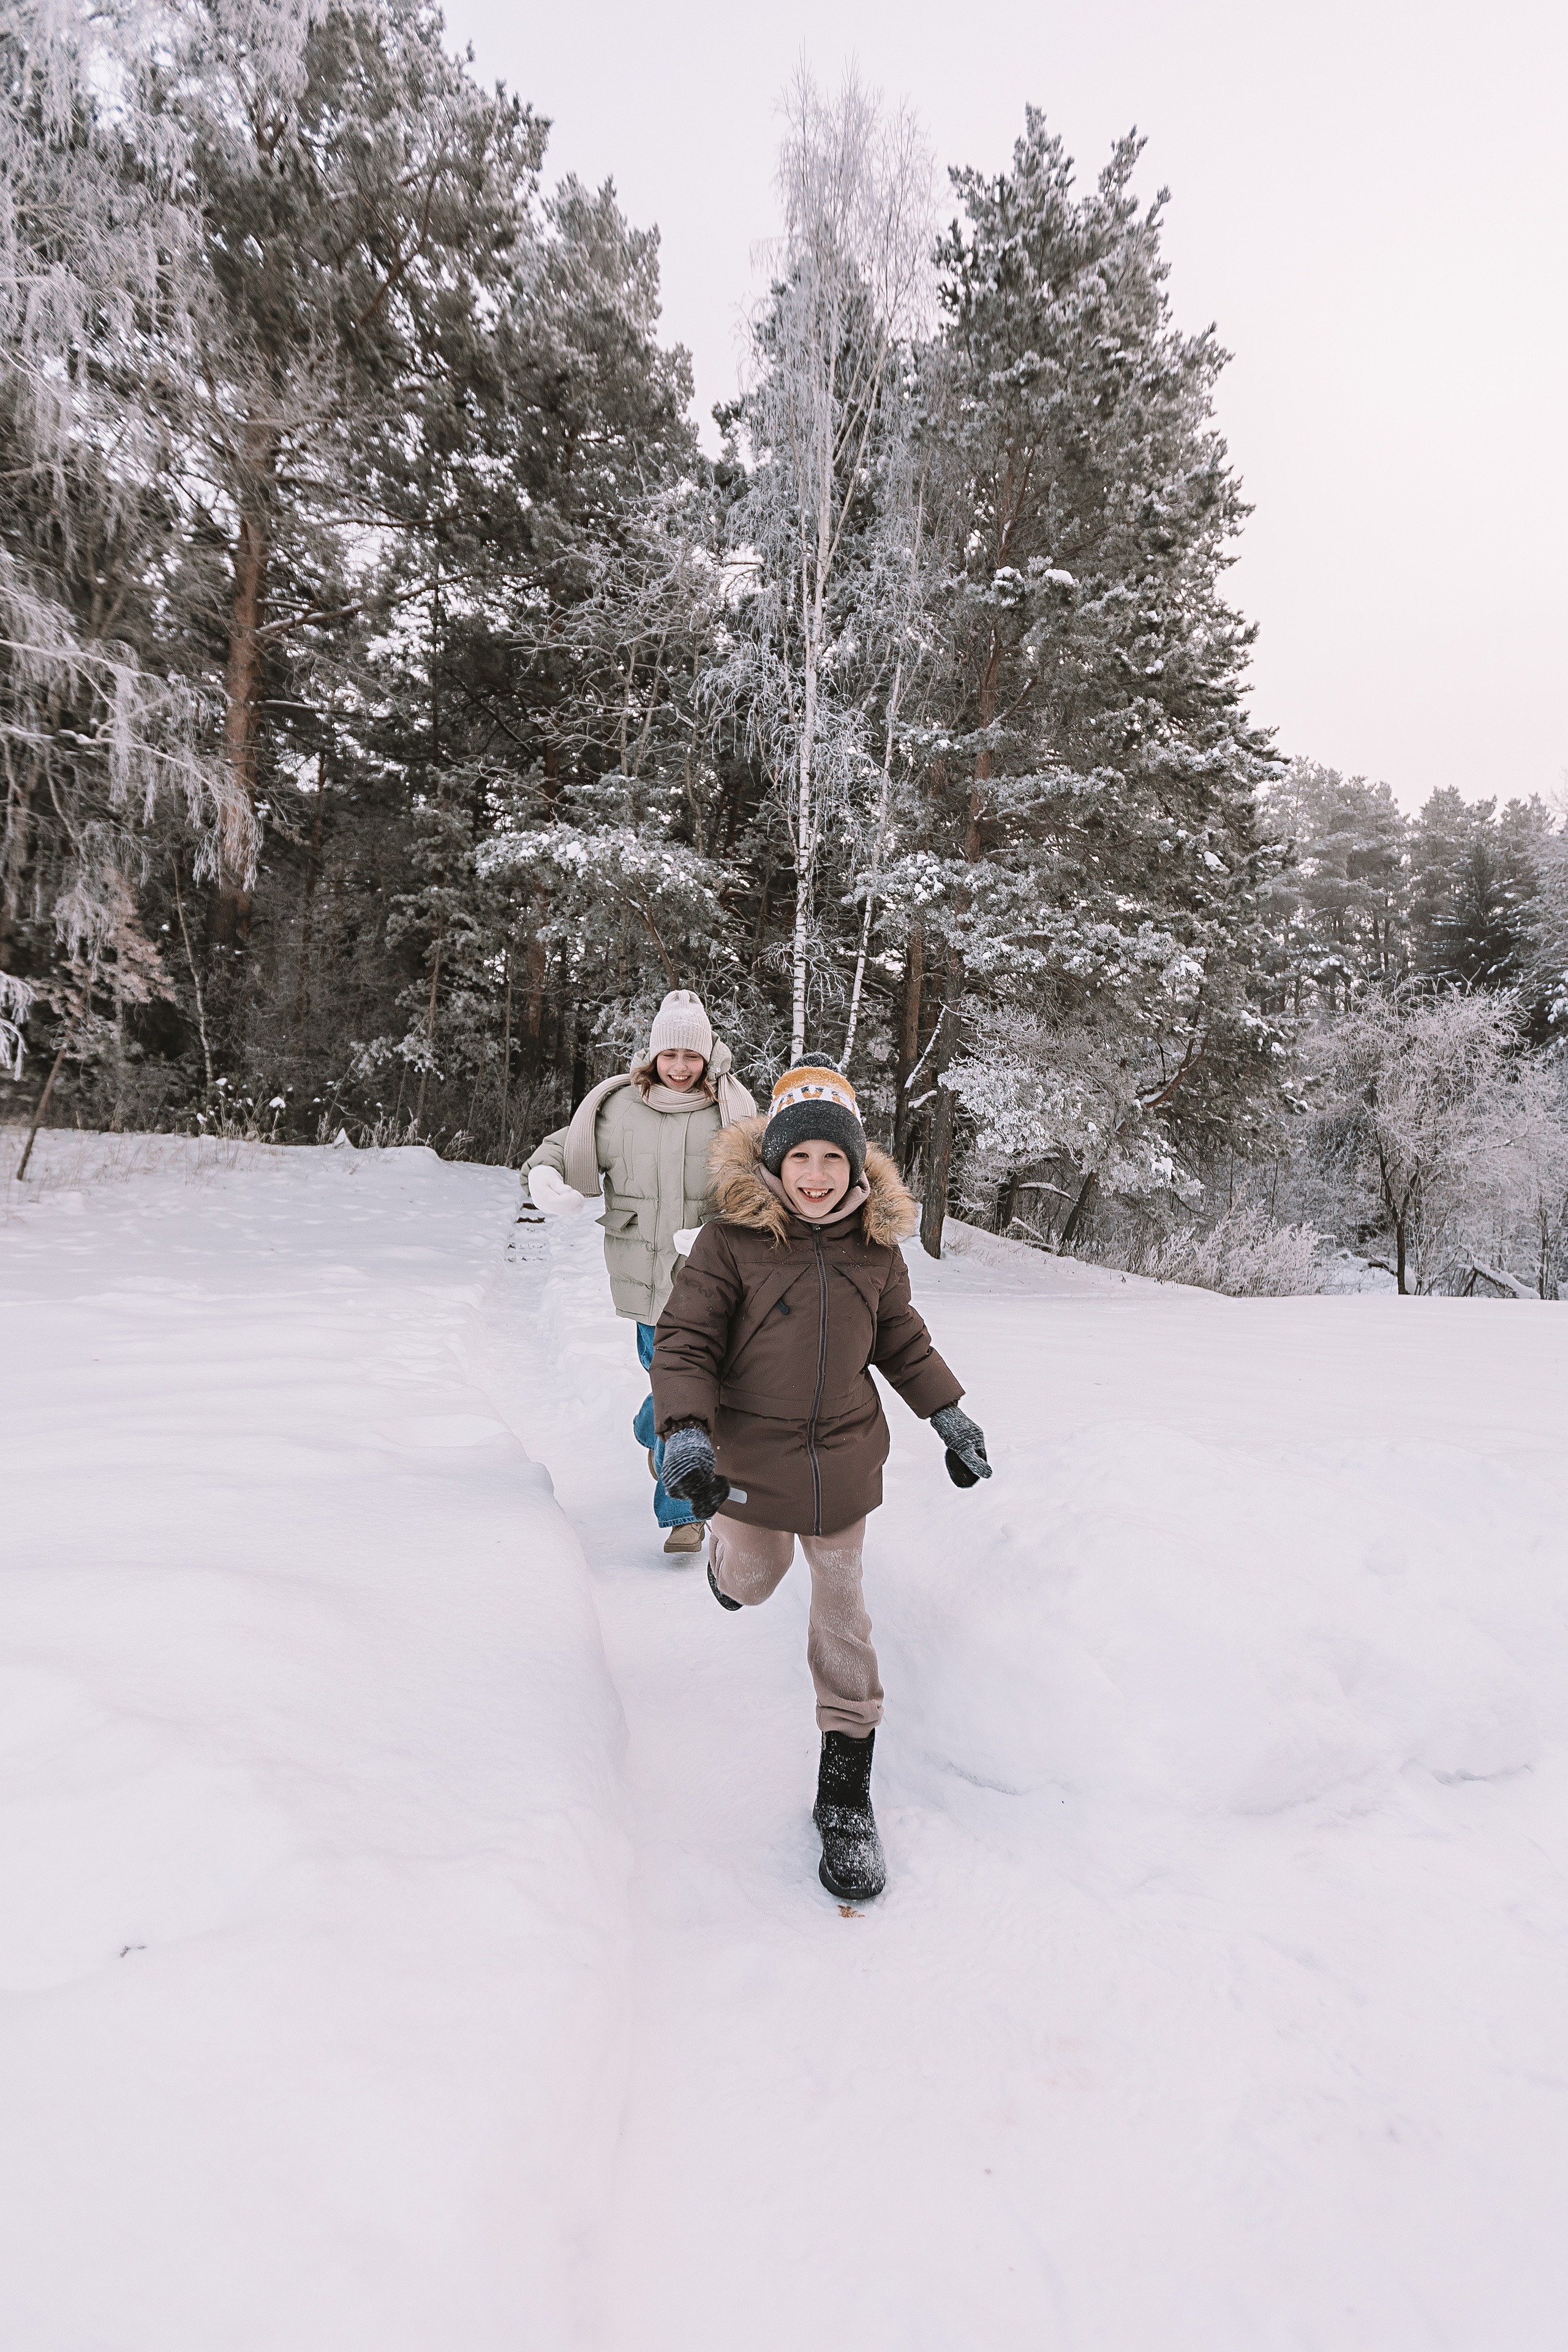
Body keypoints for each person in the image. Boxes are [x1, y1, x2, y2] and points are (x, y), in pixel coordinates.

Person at [649, 1061, 992, 1901]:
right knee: (758, 1580)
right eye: (799, 1158)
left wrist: (948, 1414)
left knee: (844, 1618)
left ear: (856, 1164)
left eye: (832, 1160)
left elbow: (902, 1342)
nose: (814, 1175)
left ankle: (844, 1795)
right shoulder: (731, 1243)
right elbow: (684, 1342)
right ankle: (731, 1571)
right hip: (750, 1465)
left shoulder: (875, 1249)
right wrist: (687, 1436)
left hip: (842, 1460)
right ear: (774, 1161)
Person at [522, 990, 756, 1555]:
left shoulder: (735, 1114)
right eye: (670, 1055)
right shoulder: (618, 1107)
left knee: (695, 1389)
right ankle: (680, 1503)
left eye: (692, 1057)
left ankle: (666, 1466)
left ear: (708, 1057)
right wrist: (545, 1177)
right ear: (653, 1054)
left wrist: (723, 1231)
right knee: (680, 1388)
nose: (680, 1068)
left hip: (714, 1278)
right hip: (645, 1279)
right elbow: (560, 1148)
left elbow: (763, 1182)